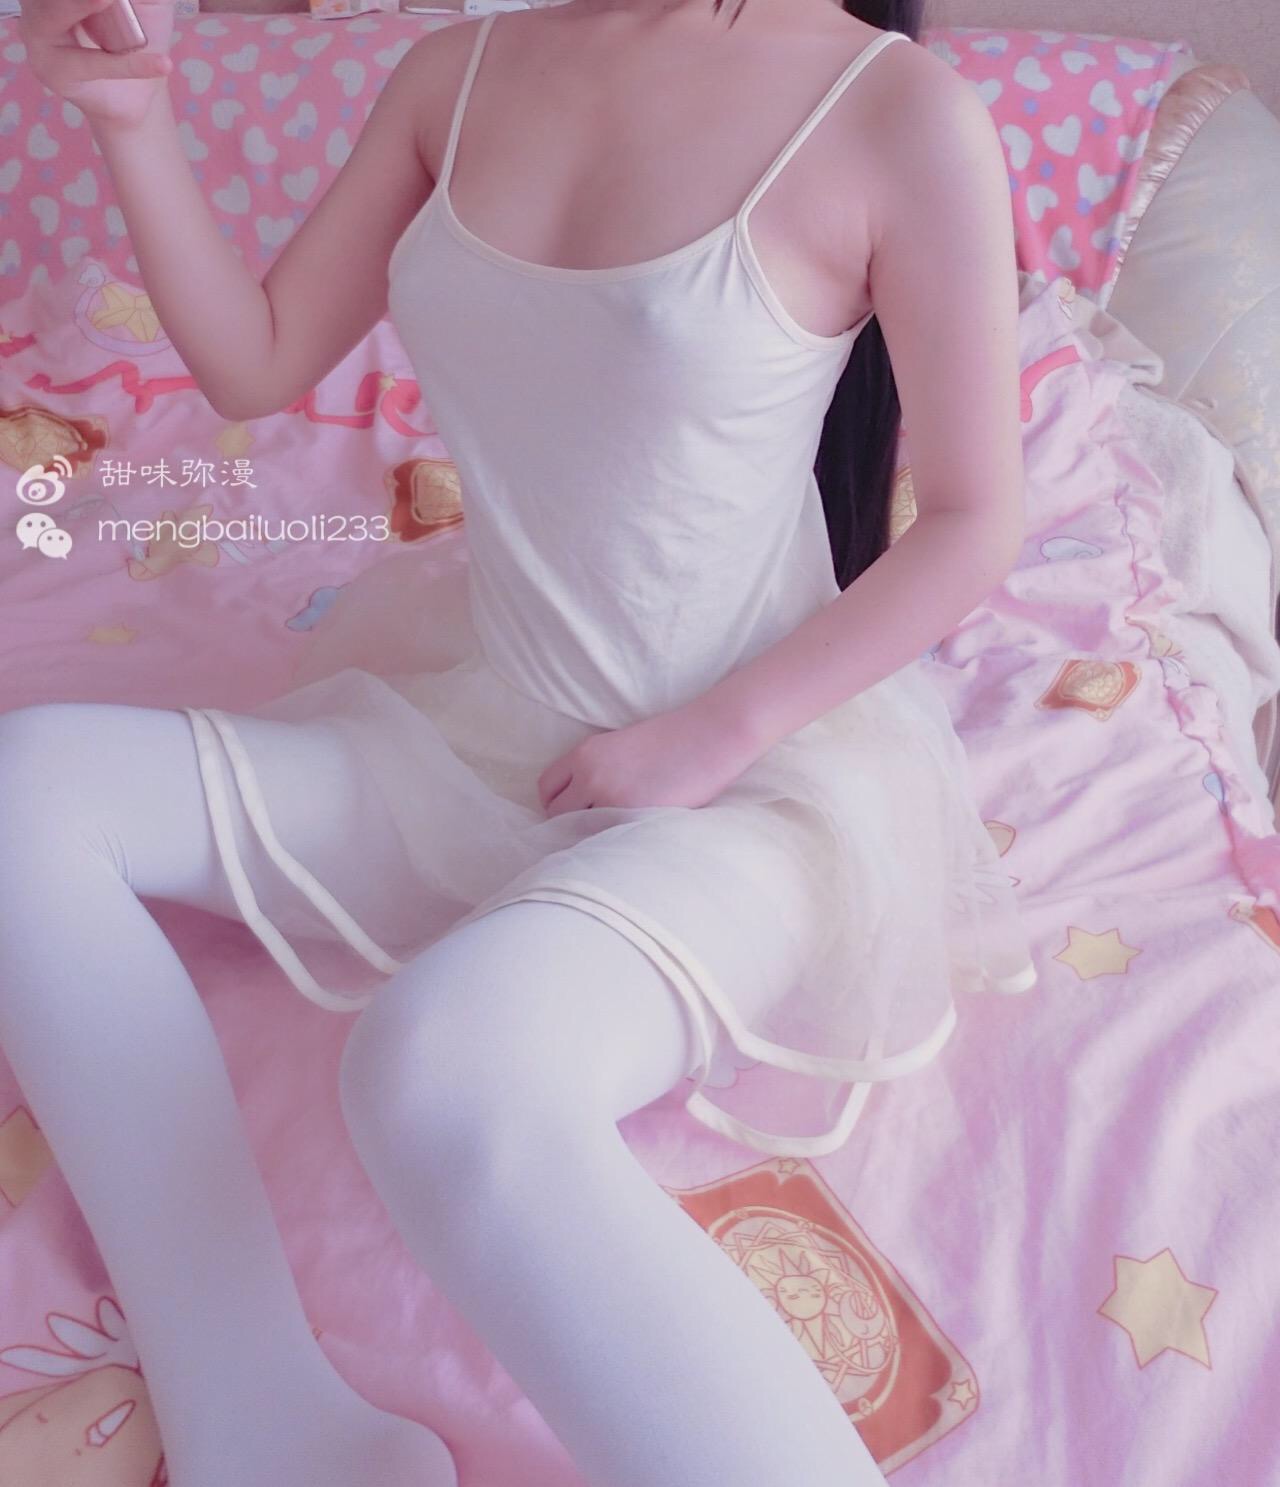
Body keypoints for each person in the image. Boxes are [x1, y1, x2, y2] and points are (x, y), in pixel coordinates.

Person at [2, 0, 1037, 1482]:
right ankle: (265, 1419)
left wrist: (708, 737)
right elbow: (257, 362)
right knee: (28, 795)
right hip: (480, 727)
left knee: (447, 1074)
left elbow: (976, 521)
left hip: (748, 779)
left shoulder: (898, 112)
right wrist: (132, 119)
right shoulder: (458, 72)